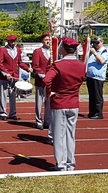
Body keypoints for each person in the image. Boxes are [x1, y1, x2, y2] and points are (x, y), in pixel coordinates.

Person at [43, 36, 86, 171]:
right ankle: (70, 163)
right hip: (74, 102)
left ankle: (61, 164)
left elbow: (46, 80)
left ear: (64, 49)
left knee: (58, 135)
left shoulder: (58, 64)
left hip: (60, 102)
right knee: (70, 135)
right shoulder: (81, 65)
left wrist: (50, 93)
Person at [0, 34, 32, 120]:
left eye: (14, 41)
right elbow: (0, 63)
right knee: (4, 95)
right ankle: (3, 113)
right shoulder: (3, 49)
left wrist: (27, 69)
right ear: (8, 41)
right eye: (11, 41)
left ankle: (13, 113)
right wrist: (6, 73)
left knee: (13, 95)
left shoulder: (18, 50)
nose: (13, 43)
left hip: (14, 76)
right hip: (5, 76)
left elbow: (20, 62)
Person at [32, 32, 51, 130]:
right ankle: (38, 120)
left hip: (51, 81)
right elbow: (35, 66)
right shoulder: (38, 51)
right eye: (46, 40)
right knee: (39, 101)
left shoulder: (54, 51)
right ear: (42, 41)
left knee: (49, 101)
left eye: (49, 39)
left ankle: (47, 120)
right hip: (41, 80)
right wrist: (43, 75)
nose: (48, 41)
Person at [86, 36, 108, 119]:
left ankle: (98, 113)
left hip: (98, 77)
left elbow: (102, 61)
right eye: (94, 42)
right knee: (92, 96)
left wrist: (95, 53)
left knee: (97, 96)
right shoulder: (92, 51)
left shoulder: (104, 51)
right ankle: (92, 112)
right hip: (90, 76)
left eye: (97, 42)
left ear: (101, 42)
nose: (95, 44)